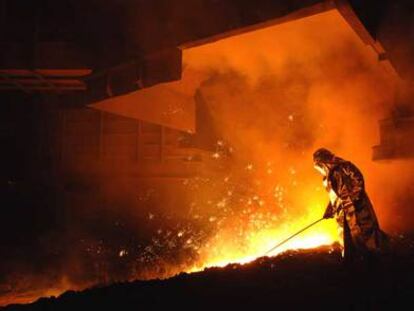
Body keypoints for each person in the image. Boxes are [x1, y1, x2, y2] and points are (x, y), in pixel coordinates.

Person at [313, 148, 388, 264]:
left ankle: (374, 260)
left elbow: (358, 180)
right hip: (343, 214)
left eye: (319, 165)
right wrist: (330, 210)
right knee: (348, 239)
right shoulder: (327, 178)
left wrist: (354, 199)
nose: (320, 169)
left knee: (365, 233)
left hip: (357, 209)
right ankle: (353, 263)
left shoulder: (344, 166)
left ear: (324, 162)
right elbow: (334, 197)